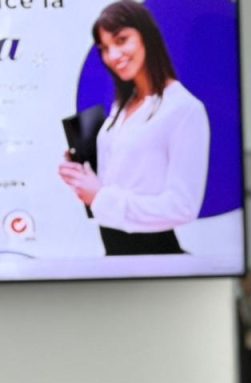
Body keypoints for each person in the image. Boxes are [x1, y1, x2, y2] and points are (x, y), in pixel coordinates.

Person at [58, 0, 210, 256]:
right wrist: (83, 175)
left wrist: (100, 197)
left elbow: (183, 207)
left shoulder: (184, 109)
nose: (113, 56)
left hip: (155, 256)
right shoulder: (124, 104)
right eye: (105, 48)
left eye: (121, 40)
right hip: (115, 252)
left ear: (146, 36)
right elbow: (120, 178)